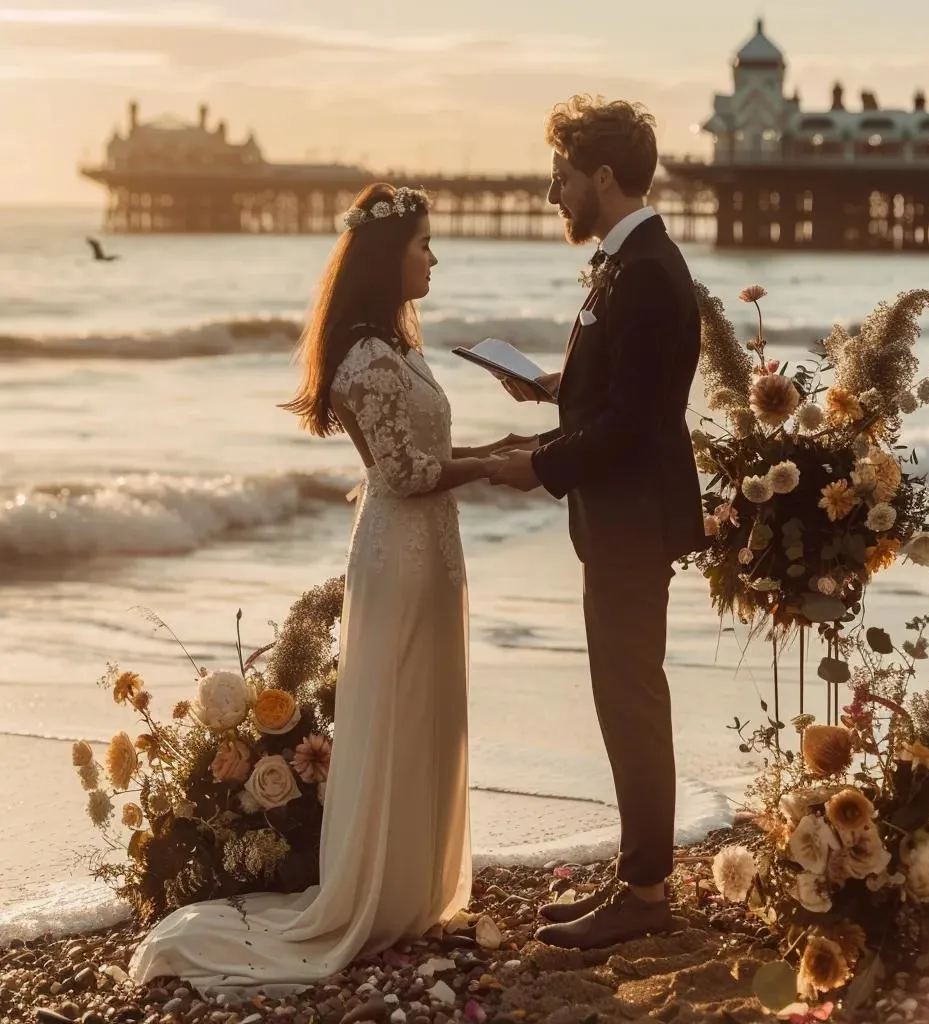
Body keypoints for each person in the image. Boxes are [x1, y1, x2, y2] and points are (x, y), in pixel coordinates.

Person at [129, 183, 511, 992]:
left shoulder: (401, 351)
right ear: (387, 258)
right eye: (423, 245)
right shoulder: (364, 359)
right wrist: (500, 468)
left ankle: (412, 885)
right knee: (403, 702)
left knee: (429, 707)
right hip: (402, 552)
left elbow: (425, 453)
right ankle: (376, 891)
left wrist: (500, 444)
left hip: (429, 547)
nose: (434, 257)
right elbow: (406, 474)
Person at [490, 96, 707, 950]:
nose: (554, 194)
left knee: (631, 703)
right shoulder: (629, 262)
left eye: (563, 177)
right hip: (617, 517)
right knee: (623, 699)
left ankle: (646, 892)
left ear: (603, 177)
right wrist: (553, 389)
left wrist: (537, 465)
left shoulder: (647, 271)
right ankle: (639, 879)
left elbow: (634, 424)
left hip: (631, 519)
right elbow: (621, 392)